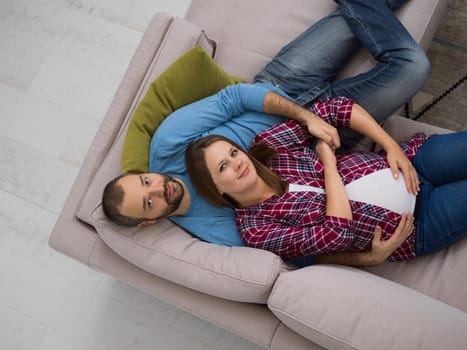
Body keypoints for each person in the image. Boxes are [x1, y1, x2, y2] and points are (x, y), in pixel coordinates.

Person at [102, 0, 430, 264]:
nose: (159, 189)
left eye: (147, 181)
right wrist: (367, 258)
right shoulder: (213, 230)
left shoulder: (167, 144)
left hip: (284, 87)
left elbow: (234, 97)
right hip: (322, 142)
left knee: (358, 15)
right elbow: (299, 248)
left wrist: (304, 115)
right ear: (149, 221)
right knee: (413, 67)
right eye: (148, 203)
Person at [185, 95, 467, 265]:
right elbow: (336, 233)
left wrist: (391, 146)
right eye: (223, 166)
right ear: (216, 189)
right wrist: (329, 165)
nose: (237, 162)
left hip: (412, 160)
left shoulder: (268, 148)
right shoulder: (257, 230)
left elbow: (334, 109)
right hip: (419, 224)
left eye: (233, 152)